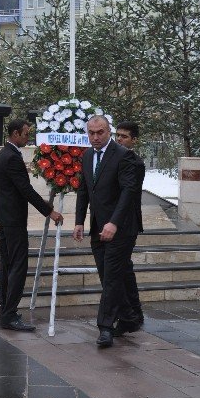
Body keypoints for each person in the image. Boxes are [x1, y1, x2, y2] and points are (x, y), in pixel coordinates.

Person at [73, 115, 140, 348]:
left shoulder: (124, 156)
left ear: (108, 131)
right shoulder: (88, 155)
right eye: (91, 133)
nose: (95, 137)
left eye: (100, 132)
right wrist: (79, 220)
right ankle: (131, 317)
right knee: (108, 275)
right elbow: (84, 190)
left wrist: (114, 223)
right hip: (97, 227)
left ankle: (105, 327)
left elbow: (128, 192)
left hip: (120, 229)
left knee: (111, 277)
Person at [0, 119, 63, 331]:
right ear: (15, 134)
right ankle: (9, 314)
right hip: (13, 221)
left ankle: (5, 309)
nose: (27, 137)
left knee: (7, 264)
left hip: (6, 218)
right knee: (17, 266)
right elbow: (25, 190)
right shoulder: (12, 157)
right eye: (25, 134)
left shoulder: (4, 154)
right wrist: (49, 211)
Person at [114, 121, 145, 334]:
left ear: (134, 140)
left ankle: (130, 316)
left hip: (127, 224)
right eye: (118, 135)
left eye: (124, 136)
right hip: (118, 223)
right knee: (125, 269)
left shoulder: (134, 162)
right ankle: (134, 312)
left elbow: (128, 193)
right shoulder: (117, 158)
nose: (119, 140)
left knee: (120, 269)